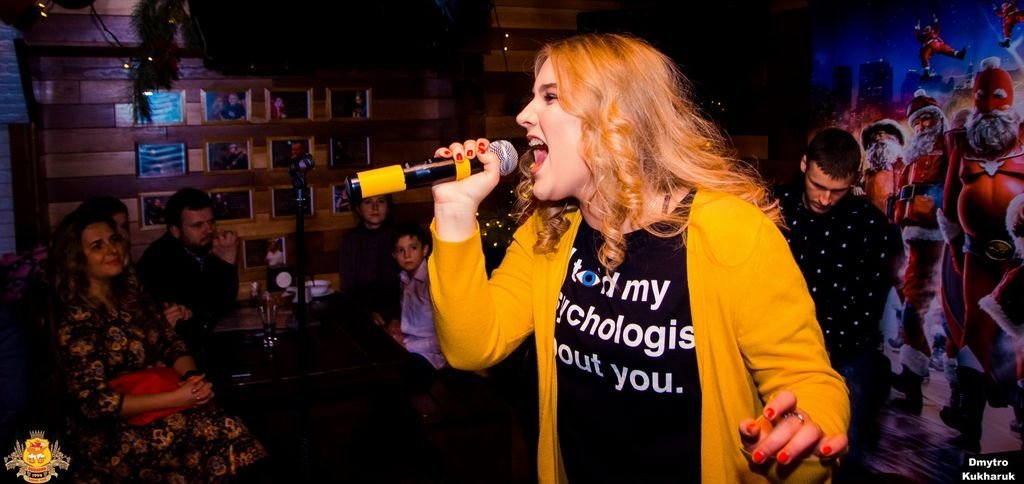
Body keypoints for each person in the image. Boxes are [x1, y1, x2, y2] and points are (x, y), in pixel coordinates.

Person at [427, 33, 849, 482]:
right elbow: (472, 346)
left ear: (617, 118)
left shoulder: (730, 230)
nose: (523, 115)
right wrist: (454, 212)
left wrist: (804, 432)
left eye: (550, 97)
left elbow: (807, 379)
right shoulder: (551, 230)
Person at [49, 208, 266, 482]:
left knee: (225, 421)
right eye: (97, 246)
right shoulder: (77, 318)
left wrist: (192, 379)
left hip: (157, 404)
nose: (112, 249)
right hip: (110, 434)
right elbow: (94, 403)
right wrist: (179, 398)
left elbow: (171, 343)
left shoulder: (132, 294)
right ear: (76, 259)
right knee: (220, 431)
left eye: (114, 240)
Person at [774, 128, 899, 477]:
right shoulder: (772, 209)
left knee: (844, 450)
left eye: (838, 190)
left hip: (845, 356)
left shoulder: (870, 225)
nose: (826, 199)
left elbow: (872, 303)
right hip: (779, 350)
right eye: (818, 186)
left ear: (854, 180)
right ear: (804, 164)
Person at [942, 56, 1024, 450]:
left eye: (997, 96)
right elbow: (949, 201)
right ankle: (970, 423)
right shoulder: (962, 142)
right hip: (976, 252)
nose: (989, 105)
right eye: (981, 97)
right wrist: (954, 246)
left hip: (1020, 253)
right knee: (975, 329)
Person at [890, 89, 950, 415]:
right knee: (911, 305)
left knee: (916, 307)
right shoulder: (911, 157)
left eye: (928, 118)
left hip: (933, 236)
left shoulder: (947, 149)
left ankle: (914, 376)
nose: (923, 125)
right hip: (910, 235)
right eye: (918, 120)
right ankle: (912, 374)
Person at [136, 188, 239, 355]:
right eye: (197, 225)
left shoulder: (206, 247)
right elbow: (202, 311)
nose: (209, 230)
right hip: (178, 353)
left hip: (208, 344)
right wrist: (225, 264)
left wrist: (227, 260)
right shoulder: (158, 260)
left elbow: (226, 304)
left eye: (211, 222)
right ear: (175, 231)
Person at [376, 223, 446, 378]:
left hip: (431, 355)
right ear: (394, 255)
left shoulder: (432, 282)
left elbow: (443, 339)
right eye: (400, 250)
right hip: (409, 345)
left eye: (413, 248)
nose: (407, 255)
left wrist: (406, 346)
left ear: (425, 249)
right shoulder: (403, 278)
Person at [338, 194, 400, 321]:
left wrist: (394, 317)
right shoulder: (350, 241)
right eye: (368, 202)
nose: (375, 207)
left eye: (381, 201)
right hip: (361, 313)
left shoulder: (399, 238)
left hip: (398, 313)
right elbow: (348, 288)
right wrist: (367, 314)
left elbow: (407, 285)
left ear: (388, 208)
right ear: (358, 209)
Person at [860, 119, 906, 219]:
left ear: (895, 138)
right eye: (873, 137)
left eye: (881, 134)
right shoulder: (866, 175)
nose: (877, 138)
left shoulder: (906, 168)